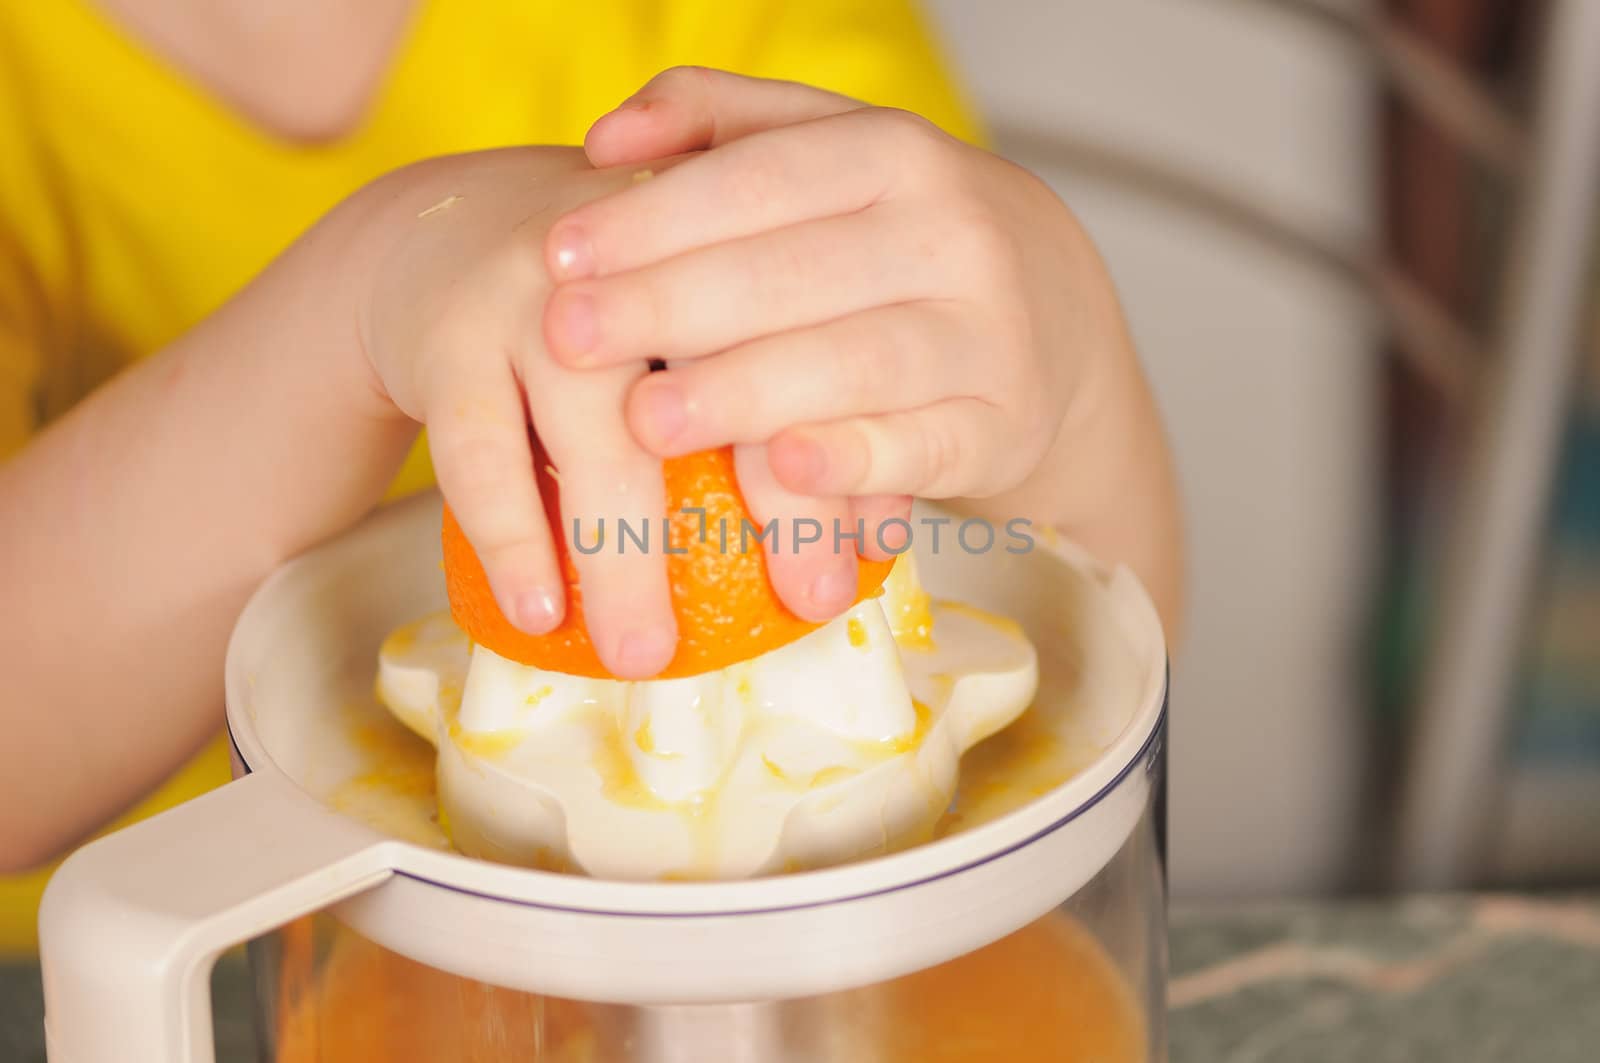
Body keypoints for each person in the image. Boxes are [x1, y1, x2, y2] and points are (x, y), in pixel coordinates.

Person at [0, 0, 1182, 952]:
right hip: (249, 970)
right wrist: (356, 304)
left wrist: (1070, 371)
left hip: (838, 969)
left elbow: (1078, 653)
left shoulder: (757, 27)